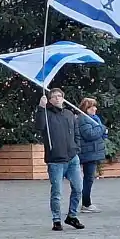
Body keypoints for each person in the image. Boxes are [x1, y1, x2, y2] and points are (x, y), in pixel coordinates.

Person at [36, 88, 84, 231]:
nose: (57, 98)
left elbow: (76, 133)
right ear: (50, 100)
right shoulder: (46, 113)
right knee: (57, 192)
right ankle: (56, 219)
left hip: (72, 158)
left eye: (60, 96)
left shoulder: (69, 114)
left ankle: (72, 216)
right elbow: (39, 126)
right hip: (55, 160)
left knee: (78, 188)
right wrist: (41, 107)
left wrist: (76, 148)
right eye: (54, 96)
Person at [76, 97, 108, 213]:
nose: (95, 109)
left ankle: (86, 202)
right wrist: (102, 128)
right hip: (88, 152)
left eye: (95, 106)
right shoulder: (83, 119)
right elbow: (89, 134)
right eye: (91, 107)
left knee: (89, 178)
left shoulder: (94, 118)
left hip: (93, 152)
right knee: (88, 179)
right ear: (86, 108)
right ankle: (86, 203)